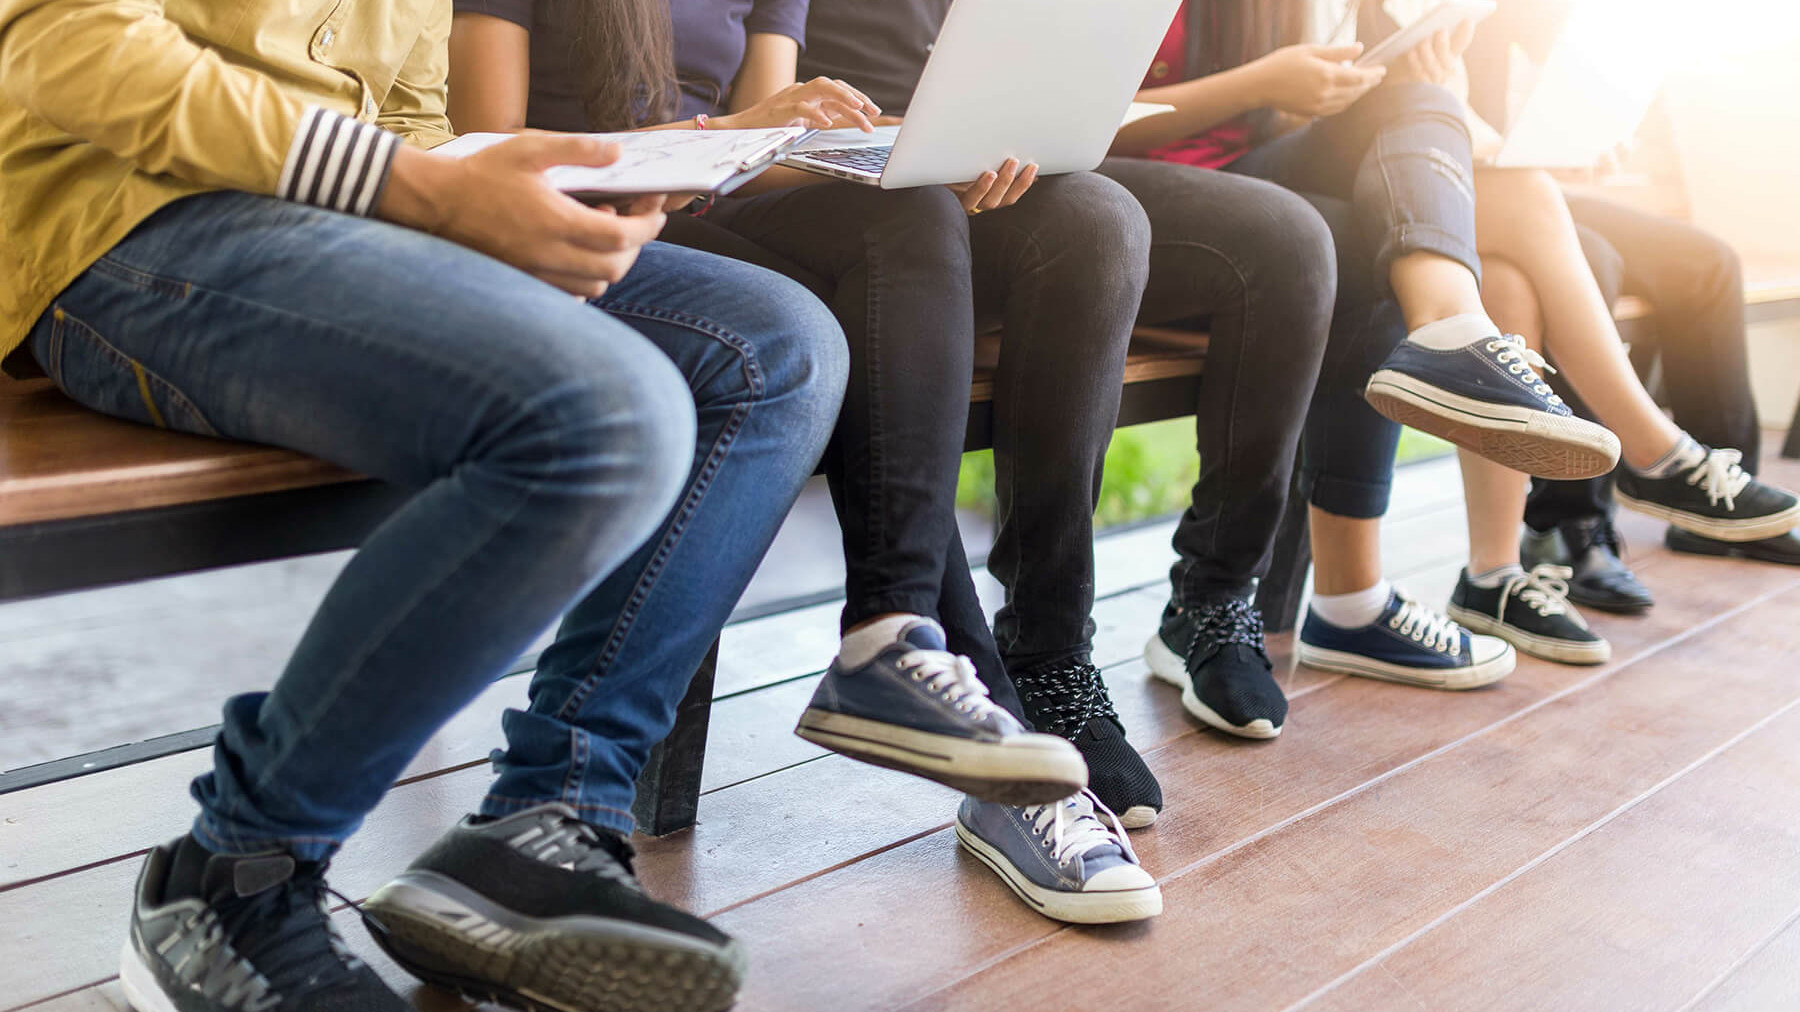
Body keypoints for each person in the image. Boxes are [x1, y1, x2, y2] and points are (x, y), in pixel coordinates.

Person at [0, 1, 854, 1010]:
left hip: (354, 222)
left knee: (780, 348)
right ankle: (233, 875)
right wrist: (415, 188)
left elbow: (414, 123)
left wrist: (551, 183)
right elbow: (59, 44)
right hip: (132, 224)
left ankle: (544, 819)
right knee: (607, 415)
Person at [447, 0, 1167, 924]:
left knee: (908, 221)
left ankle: (896, 636)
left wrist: (897, 156)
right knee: (829, 329)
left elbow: (756, 164)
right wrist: (726, 133)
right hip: (571, 225)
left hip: (693, 208)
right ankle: (991, 726)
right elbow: (489, 147)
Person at [1138, 0, 1799, 701]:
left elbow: (1304, 117)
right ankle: (1647, 451)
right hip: (1176, 194)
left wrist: (1375, 95)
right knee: (1415, 217)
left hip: (1302, 163)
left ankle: (1493, 567)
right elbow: (1109, 123)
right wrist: (1269, 84)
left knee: (1485, 221)